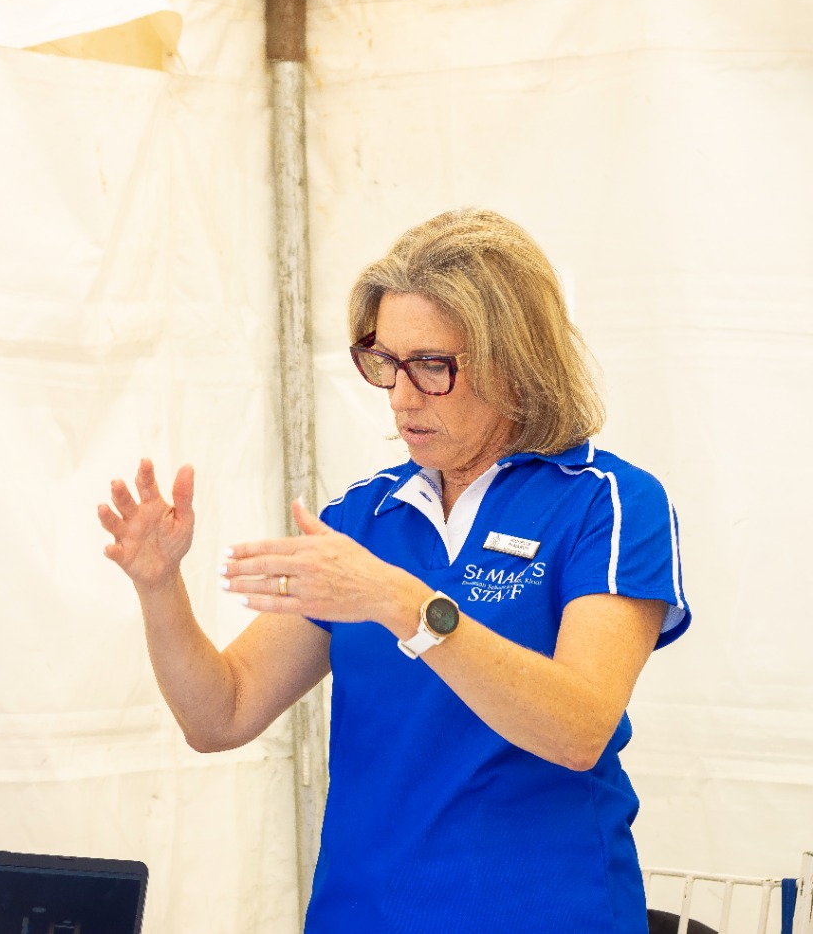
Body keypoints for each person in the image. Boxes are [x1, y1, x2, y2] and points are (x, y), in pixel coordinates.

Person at [98, 209, 689, 933]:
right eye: (385, 362)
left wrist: (404, 603)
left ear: (515, 360)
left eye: (432, 366)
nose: (402, 397)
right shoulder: (362, 518)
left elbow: (579, 729)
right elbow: (220, 713)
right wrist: (160, 587)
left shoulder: (608, 501)